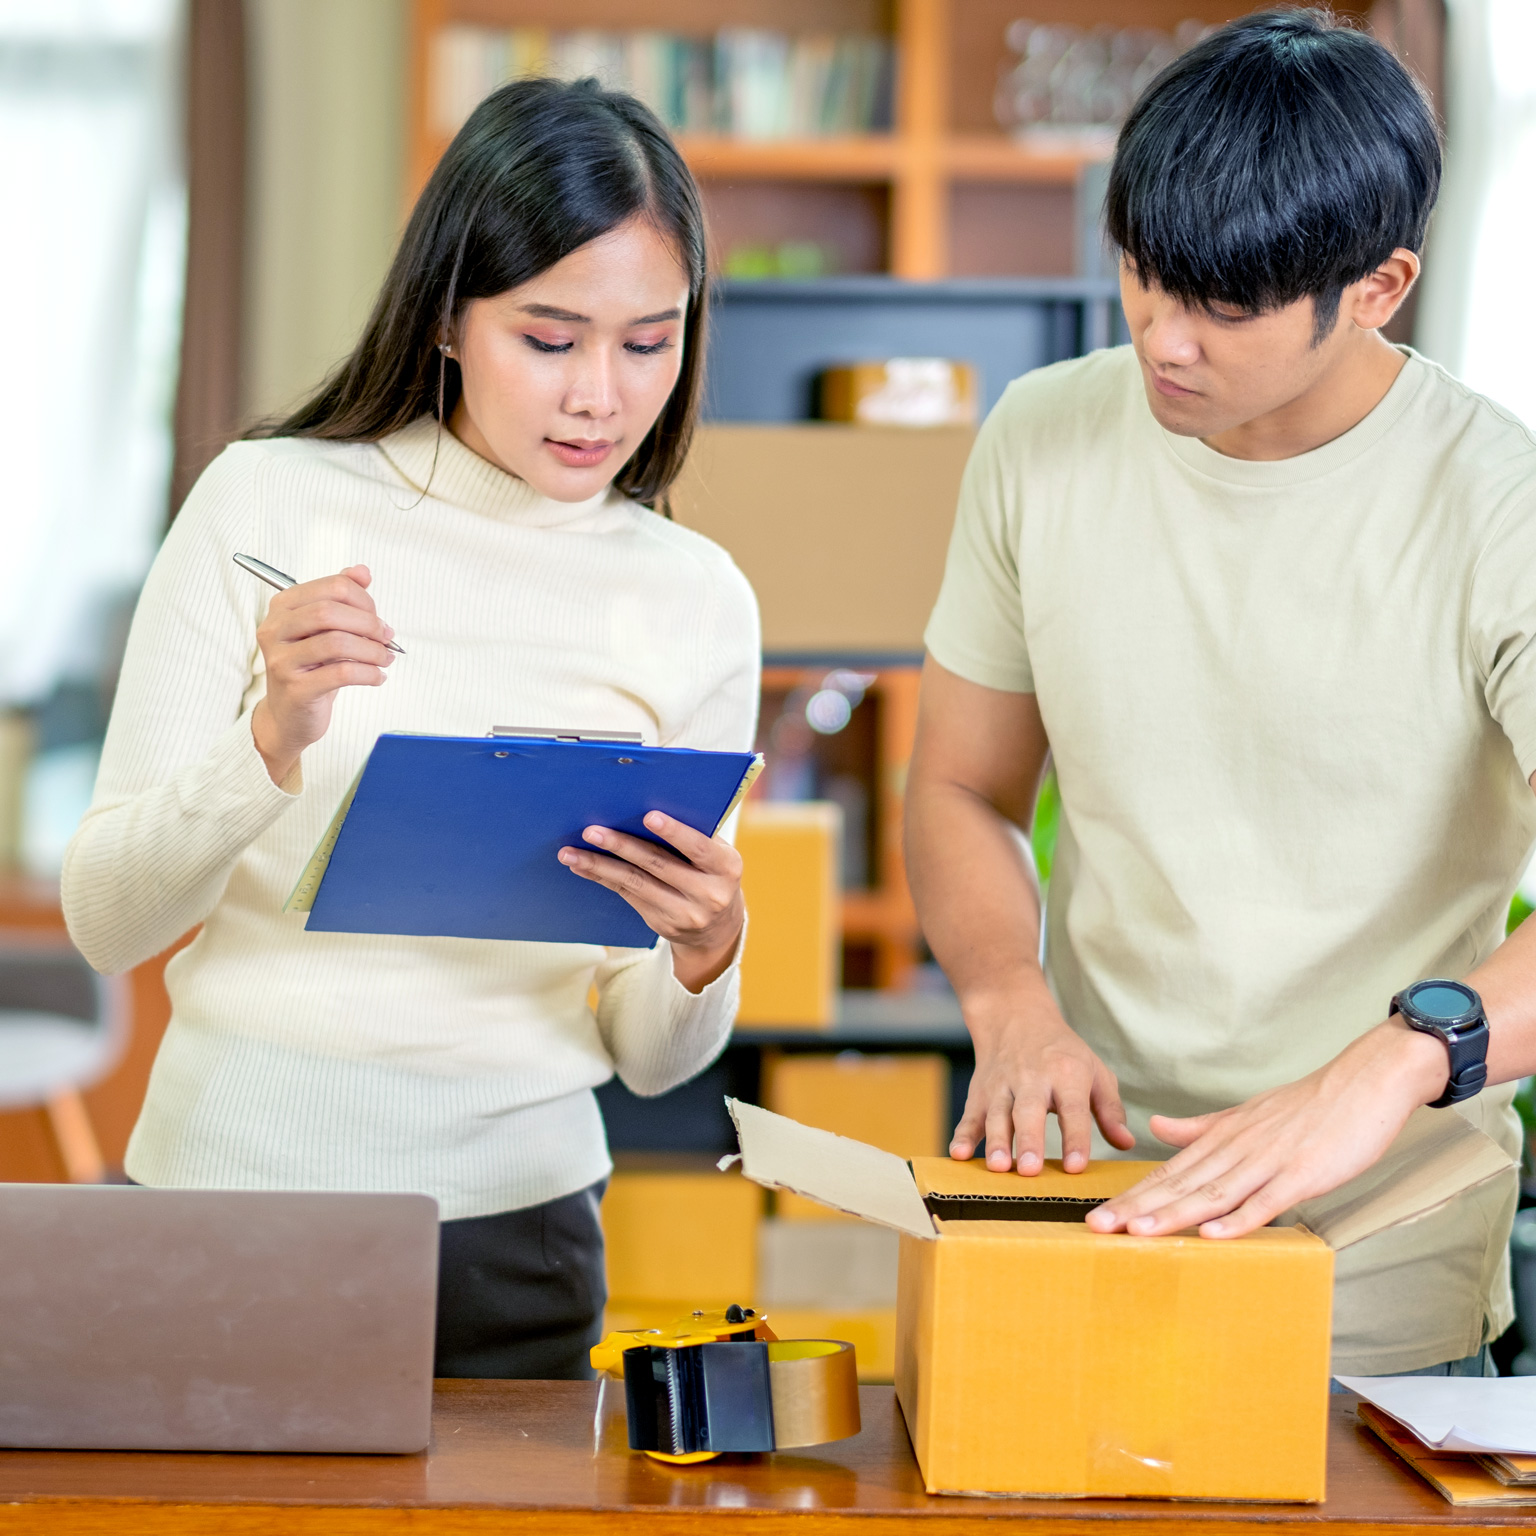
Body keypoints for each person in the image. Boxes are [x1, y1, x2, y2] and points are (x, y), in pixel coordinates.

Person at [62, 76, 759, 1379]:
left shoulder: (695, 600)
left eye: (648, 341)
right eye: (549, 340)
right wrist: (267, 742)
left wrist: (707, 951)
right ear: (447, 316)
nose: (600, 398)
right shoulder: (267, 502)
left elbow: (648, 1059)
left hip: (520, 1238)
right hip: (229, 1198)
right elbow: (109, 921)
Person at [905, 8, 1536, 1379]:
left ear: (1377, 287)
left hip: (1381, 1254)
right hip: (1086, 1197)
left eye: (1225, 306)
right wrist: (1010, 1001)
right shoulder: (1044, 437)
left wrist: (1388, 1068)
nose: (1163, 339)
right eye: (1142, 274)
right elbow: (959, 783)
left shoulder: (1500, 507)